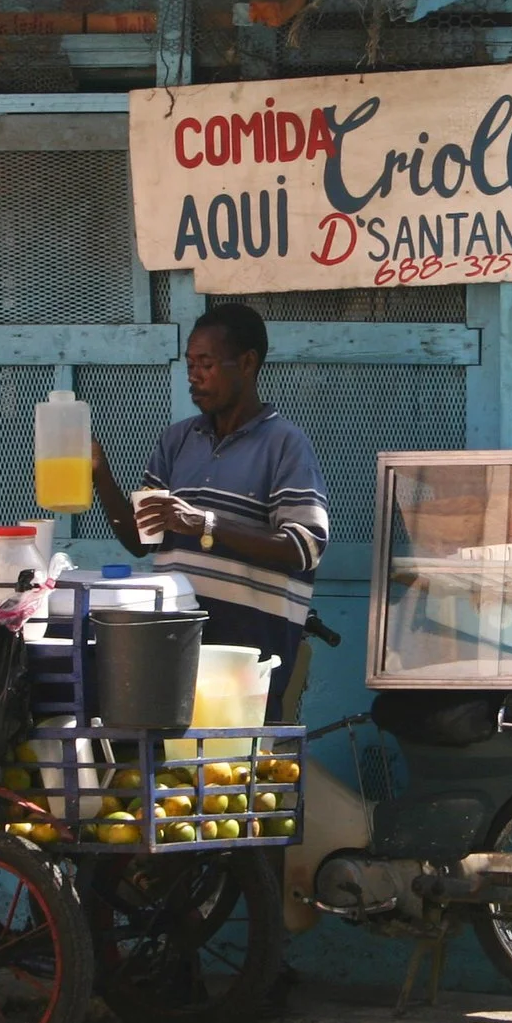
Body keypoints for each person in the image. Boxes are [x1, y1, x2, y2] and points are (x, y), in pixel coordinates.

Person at [94, 302, 327, 719]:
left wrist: (206, 523)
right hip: (172, 656)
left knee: (234, 773)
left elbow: (305, 546)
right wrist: (101, 476)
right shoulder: (177, 441)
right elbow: (139, 542)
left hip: (246, 663)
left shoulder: (285, 444)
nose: (194, 376)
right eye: (190, 364)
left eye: (206, 363)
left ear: (248, 363)